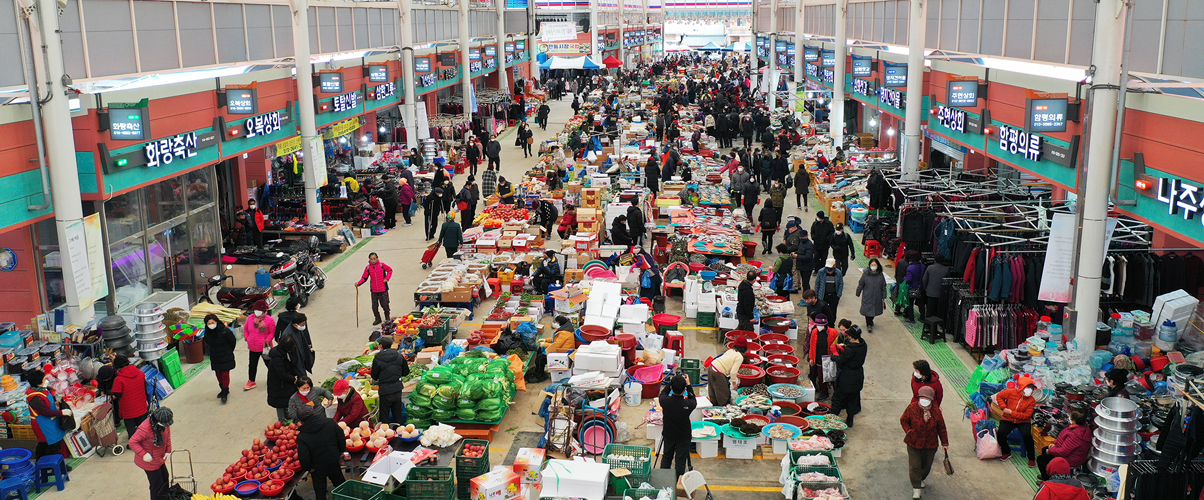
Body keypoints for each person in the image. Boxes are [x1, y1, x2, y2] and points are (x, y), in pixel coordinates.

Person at [900, 386, 949, 500]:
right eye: (922, 397)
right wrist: (909, 431)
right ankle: (916, 488)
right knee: (914, 466)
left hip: (930, 444)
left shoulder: (936, 412)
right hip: (913, 442)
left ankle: (920, 478)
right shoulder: (912, 408)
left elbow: (941, 428)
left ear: (931, 399)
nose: (924, 400)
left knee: (926, 466)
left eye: (927, 398)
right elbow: (904, 420)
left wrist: (945, 443)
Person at [295, 406, 347, 500]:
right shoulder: (329, 422)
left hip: (317, 468)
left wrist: (308, 468)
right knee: (340, 484)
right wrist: (341, 450)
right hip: (333, 460)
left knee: (320, 490)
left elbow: (304, 456)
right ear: (314, 413)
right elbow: (340, 436)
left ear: (301, 421)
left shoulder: (302, 436)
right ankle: (346, 496)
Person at [658, 374, 698, 478]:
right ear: (684, 390)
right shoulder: (688, 404)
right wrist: (688, 385)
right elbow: (693, 399)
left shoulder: (664, 401)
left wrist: (671, 382)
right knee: (680, 461)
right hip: (683, 437)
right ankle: (678, 482)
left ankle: (663, 480)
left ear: (671, 388)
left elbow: (663, 393)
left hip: (669, 434)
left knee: (667, 457)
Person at [130, 407, 174, 500]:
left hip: (159, 457)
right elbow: (133, 442)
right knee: (157, 485)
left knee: (165, 478)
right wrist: (144, 454)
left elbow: (167, 436)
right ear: (157, 420)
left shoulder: (164, 424)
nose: (166, 426)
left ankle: (165, 498)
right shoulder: (145, 429)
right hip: (149, 461)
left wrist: (168, 449)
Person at [25, 369, 70, 459]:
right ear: (38, 384)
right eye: (44, 379)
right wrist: (61, 412)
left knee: (54, 443)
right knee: (46, 444)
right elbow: (45, 412)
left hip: (51, 421)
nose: (46, 381)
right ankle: (46, 462)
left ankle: (55, 463)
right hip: (42, 424)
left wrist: (56, 398)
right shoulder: (34, 398)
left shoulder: (42, 389)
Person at [995, 377, 1038, 467]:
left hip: (1023, 421)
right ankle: (1006, 451)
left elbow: (1026, 415)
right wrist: (1003, 407)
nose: (1030, 390)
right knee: (1000, 434)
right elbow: (999, 396)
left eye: (1031, 388)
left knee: (1027, 436)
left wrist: (1012, 413)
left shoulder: (1031, 400)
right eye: (1028, 388)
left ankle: (1031, 458)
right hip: (1008, 419)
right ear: (1022, 387)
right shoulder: (1010, 392)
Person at [1036, 410, 1091, 480]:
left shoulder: (1076, 435)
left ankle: (1048, 479)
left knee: (1041, 459)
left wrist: (1050, 450)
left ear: (1074, 421)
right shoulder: (1080, 427)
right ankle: (1047, 474)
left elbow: (1064, 452)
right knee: (1044, 449)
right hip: (1068, 453)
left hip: (1071, 459)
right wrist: (1054, 443)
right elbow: (1062, 437)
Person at [829, 325, 867, 427]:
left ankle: (831, 419)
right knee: (852, 399)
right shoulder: (863, 345)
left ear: (851, 336)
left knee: (838, 399)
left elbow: (840, 360)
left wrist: (834, 356)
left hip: (847, 377)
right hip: (858, 376)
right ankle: (850, 419)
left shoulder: (850, 350)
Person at [371, 336, 411, 425]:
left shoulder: (377, 358)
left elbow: (374, 376)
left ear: (381, 346)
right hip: (397, 389)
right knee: (398, 416)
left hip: (385, 391)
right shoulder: (399, 356)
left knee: (384, 417)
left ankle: (385, 432)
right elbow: (406, 372)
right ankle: (399, 431)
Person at [109, 355, 149, 439]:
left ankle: (134, 443)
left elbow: (118, 394)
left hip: (128, 410)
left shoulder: (119, 379)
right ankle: (144, 441)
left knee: (132, 431)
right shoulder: (139, 372)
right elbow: (145, 387)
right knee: (142, 427)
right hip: (141, 405)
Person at [267, 336, 302, 422]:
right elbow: (281, 374)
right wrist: (293, 379)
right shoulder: (277, 358)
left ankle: (287, 414)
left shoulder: (284, 353)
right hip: (278, 384)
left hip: (284, 383)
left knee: (286, 399)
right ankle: (281, 421)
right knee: (280, 403)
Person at [205, 314, 238, 404]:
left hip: (225, 356)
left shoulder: (225, 331)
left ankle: (225, 392)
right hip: (215, 357)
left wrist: (228, 351)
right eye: (209, 323)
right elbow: (208, 343)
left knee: (225, 374)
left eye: (213, 322)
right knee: (218, 374)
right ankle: (223, 389)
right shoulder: (207, 333)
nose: (211, 325)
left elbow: (233, 341)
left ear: (217, 322)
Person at [355, 252, 393, 325]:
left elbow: (390, 270)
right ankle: (377, 318)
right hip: (374, 290)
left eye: (374, 258)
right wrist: (358, 283)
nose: (373, 260)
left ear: (377, 258)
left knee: (385, 304)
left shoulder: (382, 265)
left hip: (383, 289)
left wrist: (387, 278)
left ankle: (387, 318)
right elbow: (364, 278)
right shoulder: (368, 268)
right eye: (371, 259)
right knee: (374, 306)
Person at [708, 337, 747, 406]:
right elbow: (733, 372)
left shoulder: (730, 350)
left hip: (711, 367)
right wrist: (734, 383)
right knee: (723, 394)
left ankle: (713, 406)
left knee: (713, 390)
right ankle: (723, 408)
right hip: (718, 371)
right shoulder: (739, 357)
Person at [806, 315, 836, 401]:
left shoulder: (833, 332)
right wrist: (811, 358)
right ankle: (824, 393)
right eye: (817, 324)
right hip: (819, 358)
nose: (818, 326)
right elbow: (812, 346)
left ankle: (836, 392)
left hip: (829, 359)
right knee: (821, 377)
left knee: (832, 377)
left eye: (820, 325)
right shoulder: (814, 332)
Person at [855, 258, 887, 332]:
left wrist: (884, 295)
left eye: (875, 265)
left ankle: (870, 321)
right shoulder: (865, 275)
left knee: (874, 311)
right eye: (872, 265)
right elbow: (861, 284)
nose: (873, 266)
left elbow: (883, 286)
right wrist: (858, 292)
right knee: (868, 311)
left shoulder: (880, 275)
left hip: (877, 296)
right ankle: (869, 324)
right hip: (868, 296)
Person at [900, 251, 926, 322]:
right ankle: (922, 317)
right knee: (921, 304)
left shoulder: (910, 268)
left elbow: (909, 279)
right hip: (921, 288)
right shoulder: (923, 266)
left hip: (913, 288)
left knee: (910, 303)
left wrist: (904, 278)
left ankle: (911, 318)